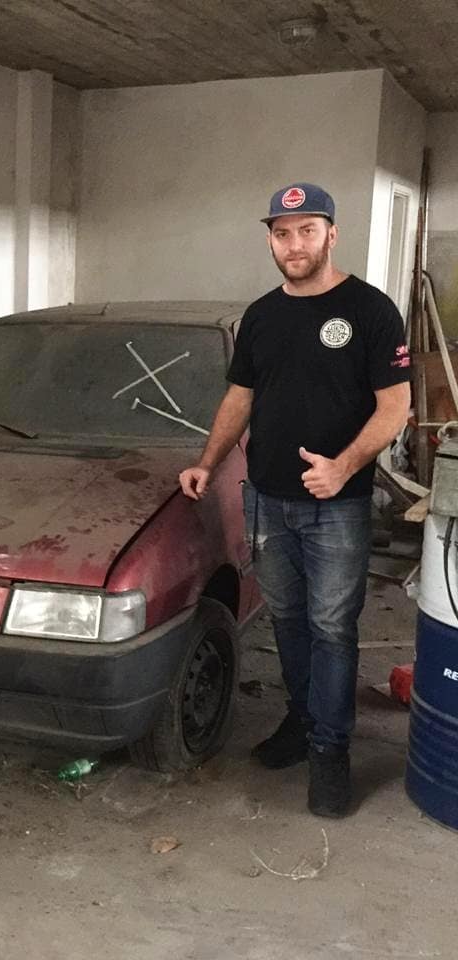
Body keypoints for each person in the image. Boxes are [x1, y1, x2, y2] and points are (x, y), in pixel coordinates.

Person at [179, 183, 411, 817]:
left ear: (331, 234)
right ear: (270, 240)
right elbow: (241, 398)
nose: (294, 243)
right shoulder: (260, 316)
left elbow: (396, 407)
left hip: (337, 504)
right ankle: (302, 722)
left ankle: (332, 753)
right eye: (283, 233)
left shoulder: (371, 310)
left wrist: (343, 467)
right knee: (286, 619)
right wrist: (207, 462)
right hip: (267, 501)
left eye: (307, 230)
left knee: (332, 627)